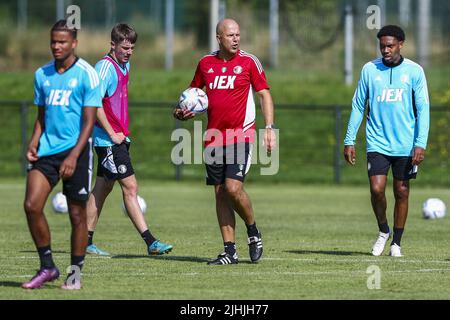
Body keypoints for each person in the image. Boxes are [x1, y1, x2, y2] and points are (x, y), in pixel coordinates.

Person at [174, 18, 276, 265]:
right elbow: (191, 96)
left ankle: (253, 231)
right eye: (230, 35)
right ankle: (229, 250)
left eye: (238, 35)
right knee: (220, 194)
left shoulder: (249, 62)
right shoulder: (205, 63)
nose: (236, 39)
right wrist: (181, 112)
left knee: (232, 188)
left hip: (240, 135)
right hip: (213, 138)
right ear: (218, 37)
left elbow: (264, 94)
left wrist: (269, 127)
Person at [22, 20, 101, 290]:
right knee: (32, 205)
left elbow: (89, 122)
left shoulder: (87, 74)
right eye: (53, 41)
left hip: (76, 153)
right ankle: (47, 267)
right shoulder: (41, 75)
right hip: (47, 152)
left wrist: (73, 156)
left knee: (77, 216)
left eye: (62, 42)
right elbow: (41, 116)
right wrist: (34, 142)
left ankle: (75, 274)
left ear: (74, 43)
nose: (57, 46)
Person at [85, 23, 173, 256]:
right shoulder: (104, 68)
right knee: (131, 187)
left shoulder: (125, 65)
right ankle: (151, 242)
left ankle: (84, 241)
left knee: (102, 188)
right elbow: (94, 103)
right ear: (112, 45)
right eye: (124, 47)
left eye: (132, 47)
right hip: (108, 141)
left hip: (119, 138)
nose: (129, 51)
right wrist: (112, 134)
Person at [343, 25, 430, 257]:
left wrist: (420, 143)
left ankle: (396, 243)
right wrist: (349, 139)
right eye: (382, 46)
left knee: (401, 191)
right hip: (377, 142)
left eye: (390, 46)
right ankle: (384, 230)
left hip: (405, 144)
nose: (385, 50)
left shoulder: (414, 71)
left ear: (401, 44)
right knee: (376, 189)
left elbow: (423, 109)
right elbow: (358, 106)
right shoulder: (369, 70)